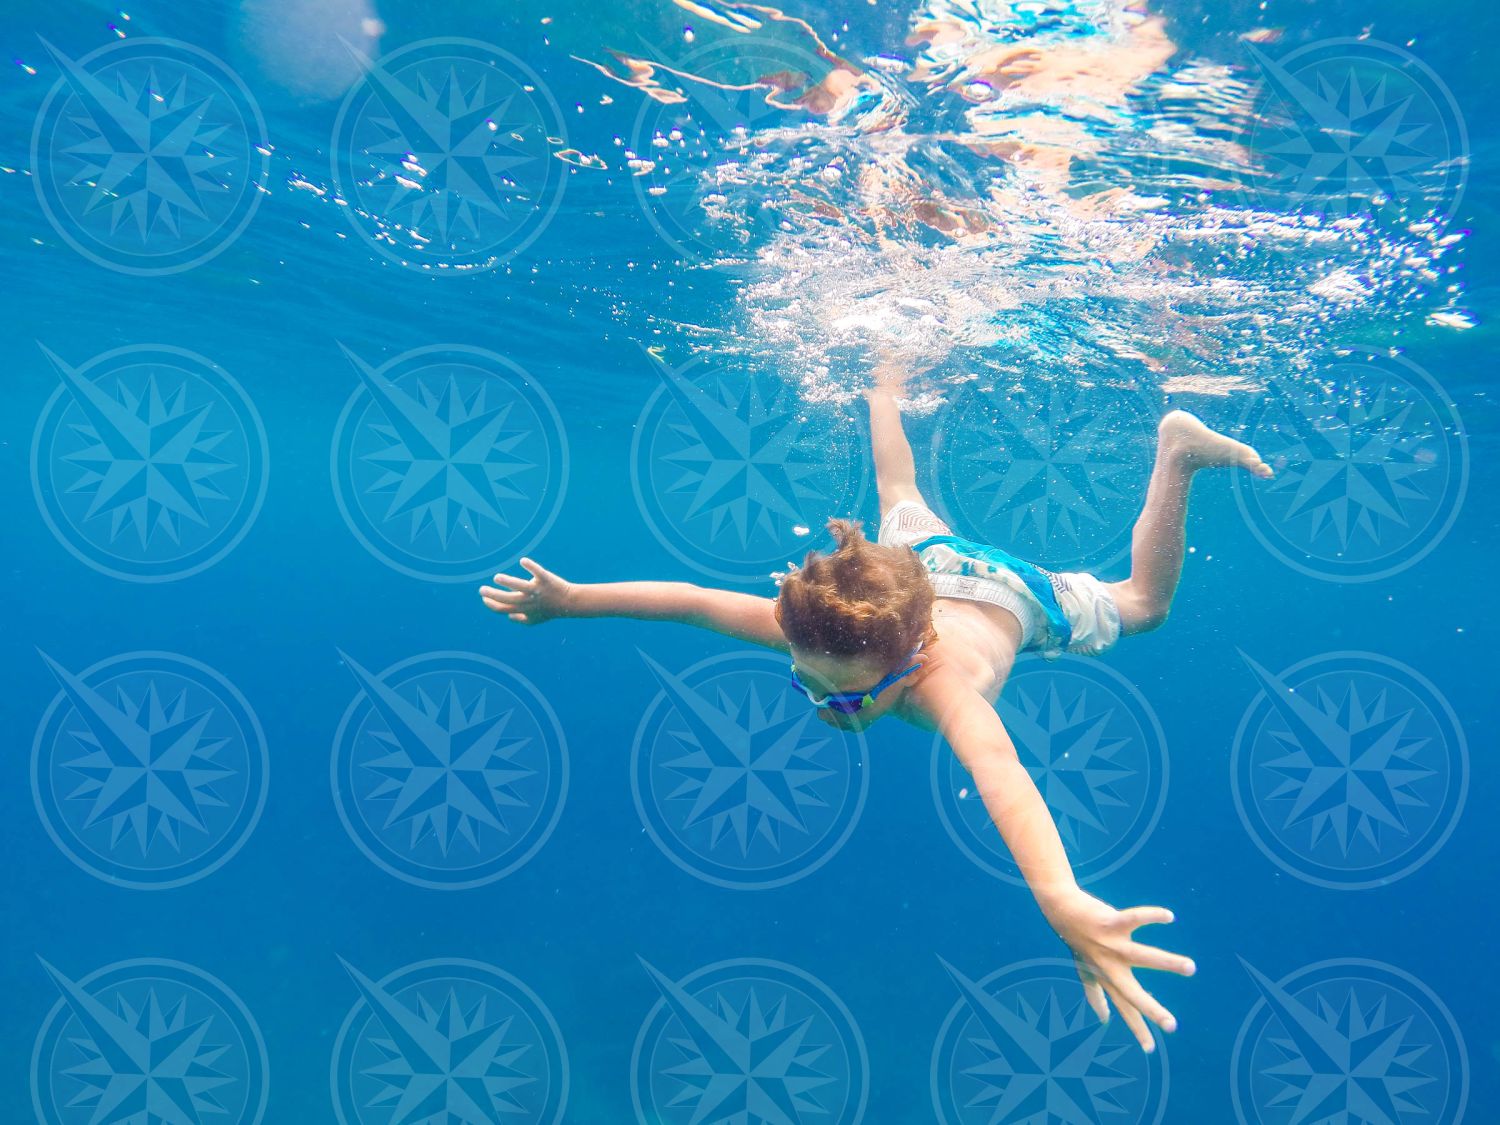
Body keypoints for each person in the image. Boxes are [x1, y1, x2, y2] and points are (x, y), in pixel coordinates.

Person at [479, 367, 1272, 1052]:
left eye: (846, 697)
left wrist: (1060, 897)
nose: (824, 705)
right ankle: (881, 384)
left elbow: (1004, 777)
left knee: (1144, 604)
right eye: (807, 681)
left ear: (907, 665)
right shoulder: (825, 625)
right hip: (917, 564)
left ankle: (1178, 454)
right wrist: (573, 599)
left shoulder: (941, 685)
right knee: (898, 491)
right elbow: (688, 601)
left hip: (1009, 595)